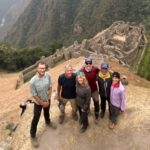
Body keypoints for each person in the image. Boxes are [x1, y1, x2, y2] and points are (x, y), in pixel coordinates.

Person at [29, 62, 56, 148]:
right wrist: (42, 103)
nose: (42, 70)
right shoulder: (32, 81)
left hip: (47, 99)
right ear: (37, 69)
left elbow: (50, 86)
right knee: (36, 118)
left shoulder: (48, 75)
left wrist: (48, 98)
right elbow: (34, 95)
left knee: (47, 112)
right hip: (38, 103)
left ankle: (48, 122)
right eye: (40, 68)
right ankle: (33, 135)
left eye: (44, 68)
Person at [80, 57, 100, 123]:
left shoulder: (95, 69)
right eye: (87, 63)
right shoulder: (81, 71)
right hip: (86, 91)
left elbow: (102, 71)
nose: (88, 65)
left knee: (96, 102)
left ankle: (96, 114)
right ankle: (88, 111)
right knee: (87, 103)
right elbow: (78, 78)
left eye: (90, 63)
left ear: (91, 63)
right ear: (85, 64)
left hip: (94, 90)